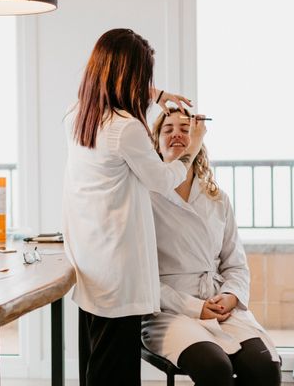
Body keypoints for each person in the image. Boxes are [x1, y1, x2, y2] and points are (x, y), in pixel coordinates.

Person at [62, 28, 206, 386]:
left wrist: (158, 95)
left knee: (97, 363)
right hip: (119, 270)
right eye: (146, 76)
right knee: (115, 371)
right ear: (133, 75)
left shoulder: (78, 115)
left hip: (90, 260)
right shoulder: (126, 129)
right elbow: (160, 179)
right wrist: (190, 150)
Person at [141, 108, 281, 386]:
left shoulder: (217, 198)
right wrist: (195, 308)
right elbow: (140, 278)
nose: (178, 134)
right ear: (156, 143)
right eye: (168, 129)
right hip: (169, 310)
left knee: (264, 367)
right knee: (215, 368)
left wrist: (230, 296)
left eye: (186, 128)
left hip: (221, 306)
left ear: (198, 140)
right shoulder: (144, 197)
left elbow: (235, 263)